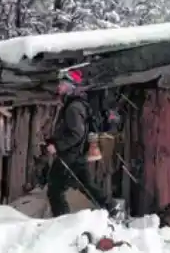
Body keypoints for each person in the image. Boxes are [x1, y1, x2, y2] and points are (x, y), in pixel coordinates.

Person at [44, 69, 121, 219]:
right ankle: (111, 206)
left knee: (55, 188)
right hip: (77, 154)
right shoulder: (78, 105)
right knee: (86, 185)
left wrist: (57, 146)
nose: (58, 87)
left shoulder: (73, 108)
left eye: (62, 84)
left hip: (69, 155)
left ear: (69, 86)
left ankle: (61, 220)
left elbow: (76, 134)